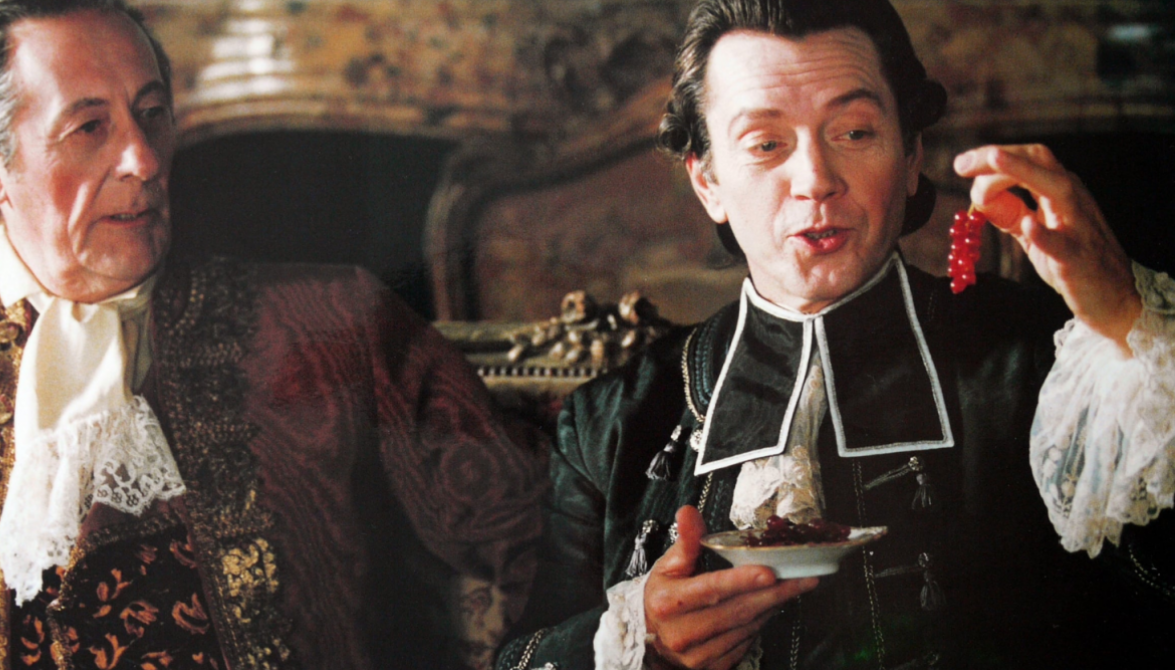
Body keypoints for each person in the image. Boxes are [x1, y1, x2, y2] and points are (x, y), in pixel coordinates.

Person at [496, 1, 1174, 669]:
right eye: (766, 144)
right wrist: (638, 642)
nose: (816, 181)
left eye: (854, 132)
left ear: (910, 156)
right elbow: (519, 658)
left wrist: (1126, 322)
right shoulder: (611, 421)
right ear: (708, 183)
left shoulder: (1054, 364)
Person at [0, 1, 544, 669]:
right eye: (89, 127)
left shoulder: (332, 324)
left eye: (153, 113)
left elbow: (544, 542)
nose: (144, 160)